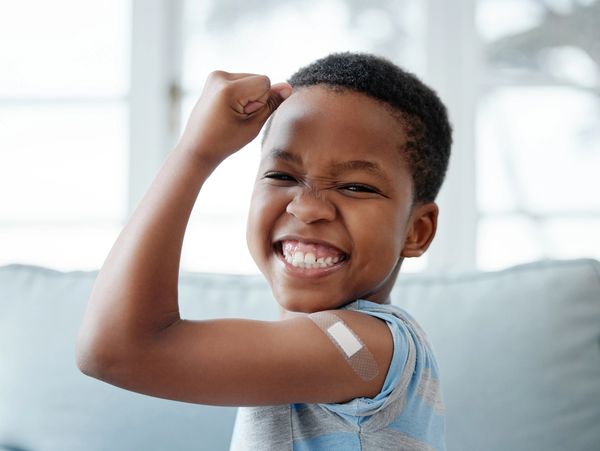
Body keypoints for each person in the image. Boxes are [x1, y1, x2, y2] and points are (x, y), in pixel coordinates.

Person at [76, 52, 452, 450]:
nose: (306, 207)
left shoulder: (362, 347)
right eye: (281, 175)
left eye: (355, 186)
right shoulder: (333, 350)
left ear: (417, 230)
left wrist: (195, 153)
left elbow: (117, 350)